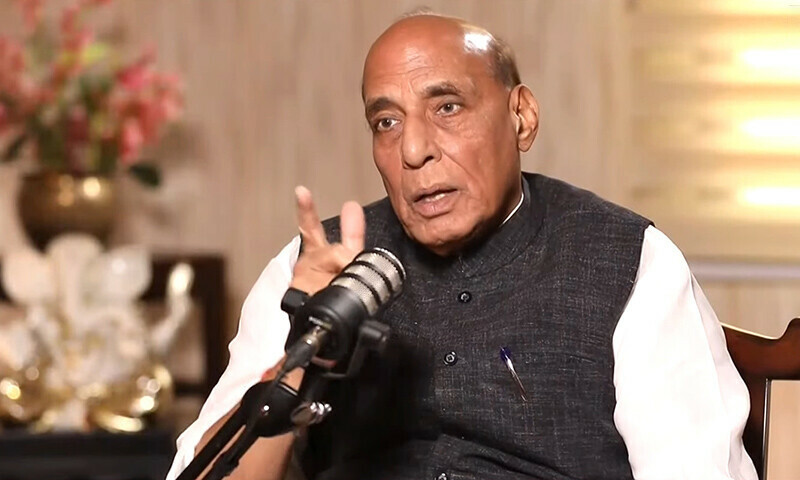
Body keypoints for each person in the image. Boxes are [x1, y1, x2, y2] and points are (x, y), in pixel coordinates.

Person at [167, 13, 758, 480]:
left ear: (521, 117)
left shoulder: (630, 261)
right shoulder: (314, 267)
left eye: (447, 107)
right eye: (387, 122)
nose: (414, 150)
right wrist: (303, 355)